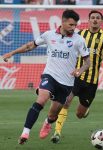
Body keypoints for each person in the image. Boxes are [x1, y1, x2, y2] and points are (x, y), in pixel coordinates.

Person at [2, 9, 90, 145]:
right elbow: (30, 45)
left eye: (75, 25)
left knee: (53, 114)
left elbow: (88, 61)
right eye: (71, 25)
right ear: (63, 22)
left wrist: (80, 69)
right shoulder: (49, 35)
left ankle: (48, 122)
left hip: (66, 83)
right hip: (50, 75)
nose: (74, 28)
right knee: (41, 99)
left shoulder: (79, 40)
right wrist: (11, 53)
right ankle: (25, 132)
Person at [39, 10, 103, 143]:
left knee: (80, 114)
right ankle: (57, 132)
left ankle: (85, 111)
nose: (95, 20)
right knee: (66, 101)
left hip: (91, 82)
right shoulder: (80, 34)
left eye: (98, 18)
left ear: (101, 21)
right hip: (76, 77)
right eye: (92, 18)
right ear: (89, 20)